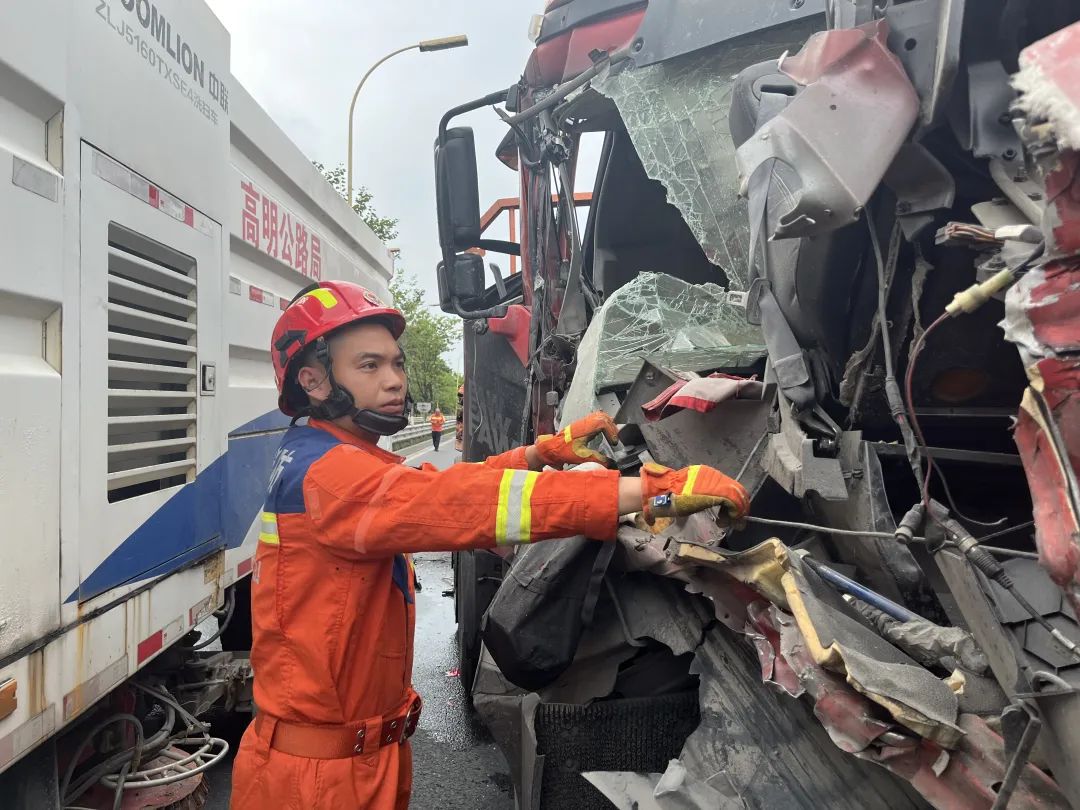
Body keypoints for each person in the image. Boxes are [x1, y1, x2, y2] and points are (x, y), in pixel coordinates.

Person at [230, 281, 750, 810]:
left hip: (346, 762)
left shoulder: (330, 459)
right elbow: (460, 504)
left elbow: (435, 489)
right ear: (314, 381)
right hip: (320, 783)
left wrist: (537, 455)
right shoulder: (333, 477)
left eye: (395, 363)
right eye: (369, 366)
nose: (393, 381)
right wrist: (649, 493)